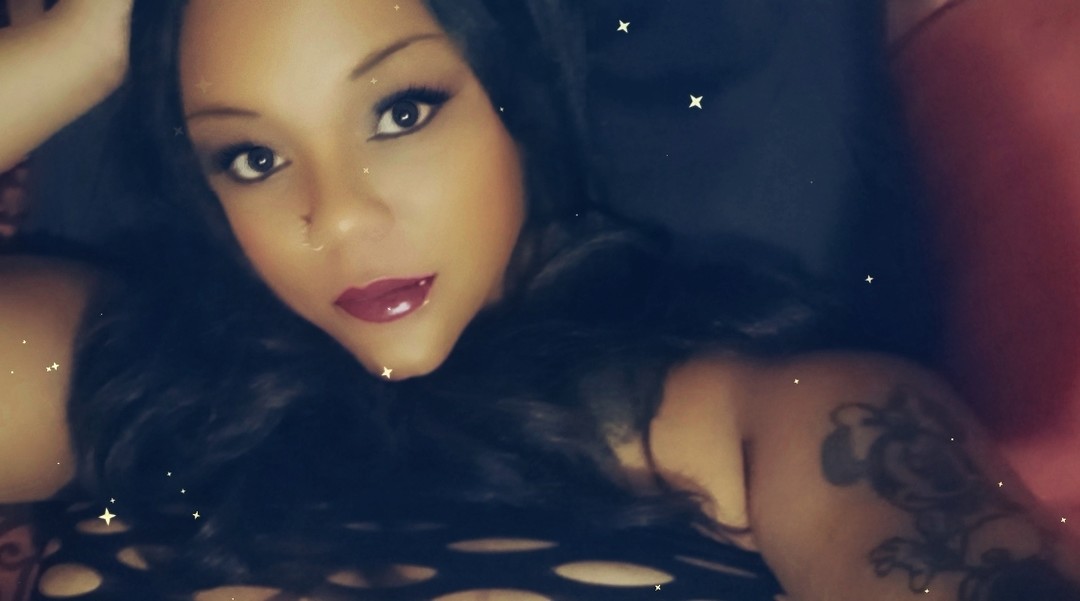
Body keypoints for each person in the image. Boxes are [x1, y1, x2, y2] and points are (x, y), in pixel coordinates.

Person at [2, 1, 1079, 600]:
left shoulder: (788, 417)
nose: (337, 218)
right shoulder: (126, 374)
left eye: (401, 111)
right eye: (250, 157)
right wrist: (92, 42)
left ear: (520, 95)